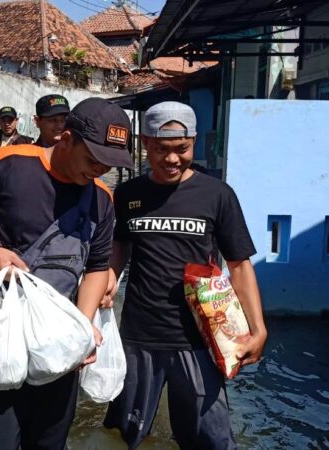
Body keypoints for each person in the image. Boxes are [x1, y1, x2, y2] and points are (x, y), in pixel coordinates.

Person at [0, 98, 135, 450]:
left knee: (48, 443)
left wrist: (83, 328)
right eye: (93, 159)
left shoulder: (102, 199)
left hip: (56, 341)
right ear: (66, 139)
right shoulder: (9, 163)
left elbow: (97, 267)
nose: (100, 170)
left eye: (109, 164)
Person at [102, 101, 267, 449]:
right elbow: (120, 245)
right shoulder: (129, 194)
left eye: (182, 149)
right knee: (126, 436)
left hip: (200, 339)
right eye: (162, 149)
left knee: (211, 441)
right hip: (138, 337)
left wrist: (258, 328)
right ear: (144, 143)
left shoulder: (218, 195)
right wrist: (110, 280)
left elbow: (238, 264)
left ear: (193, 141)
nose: (172, 159)